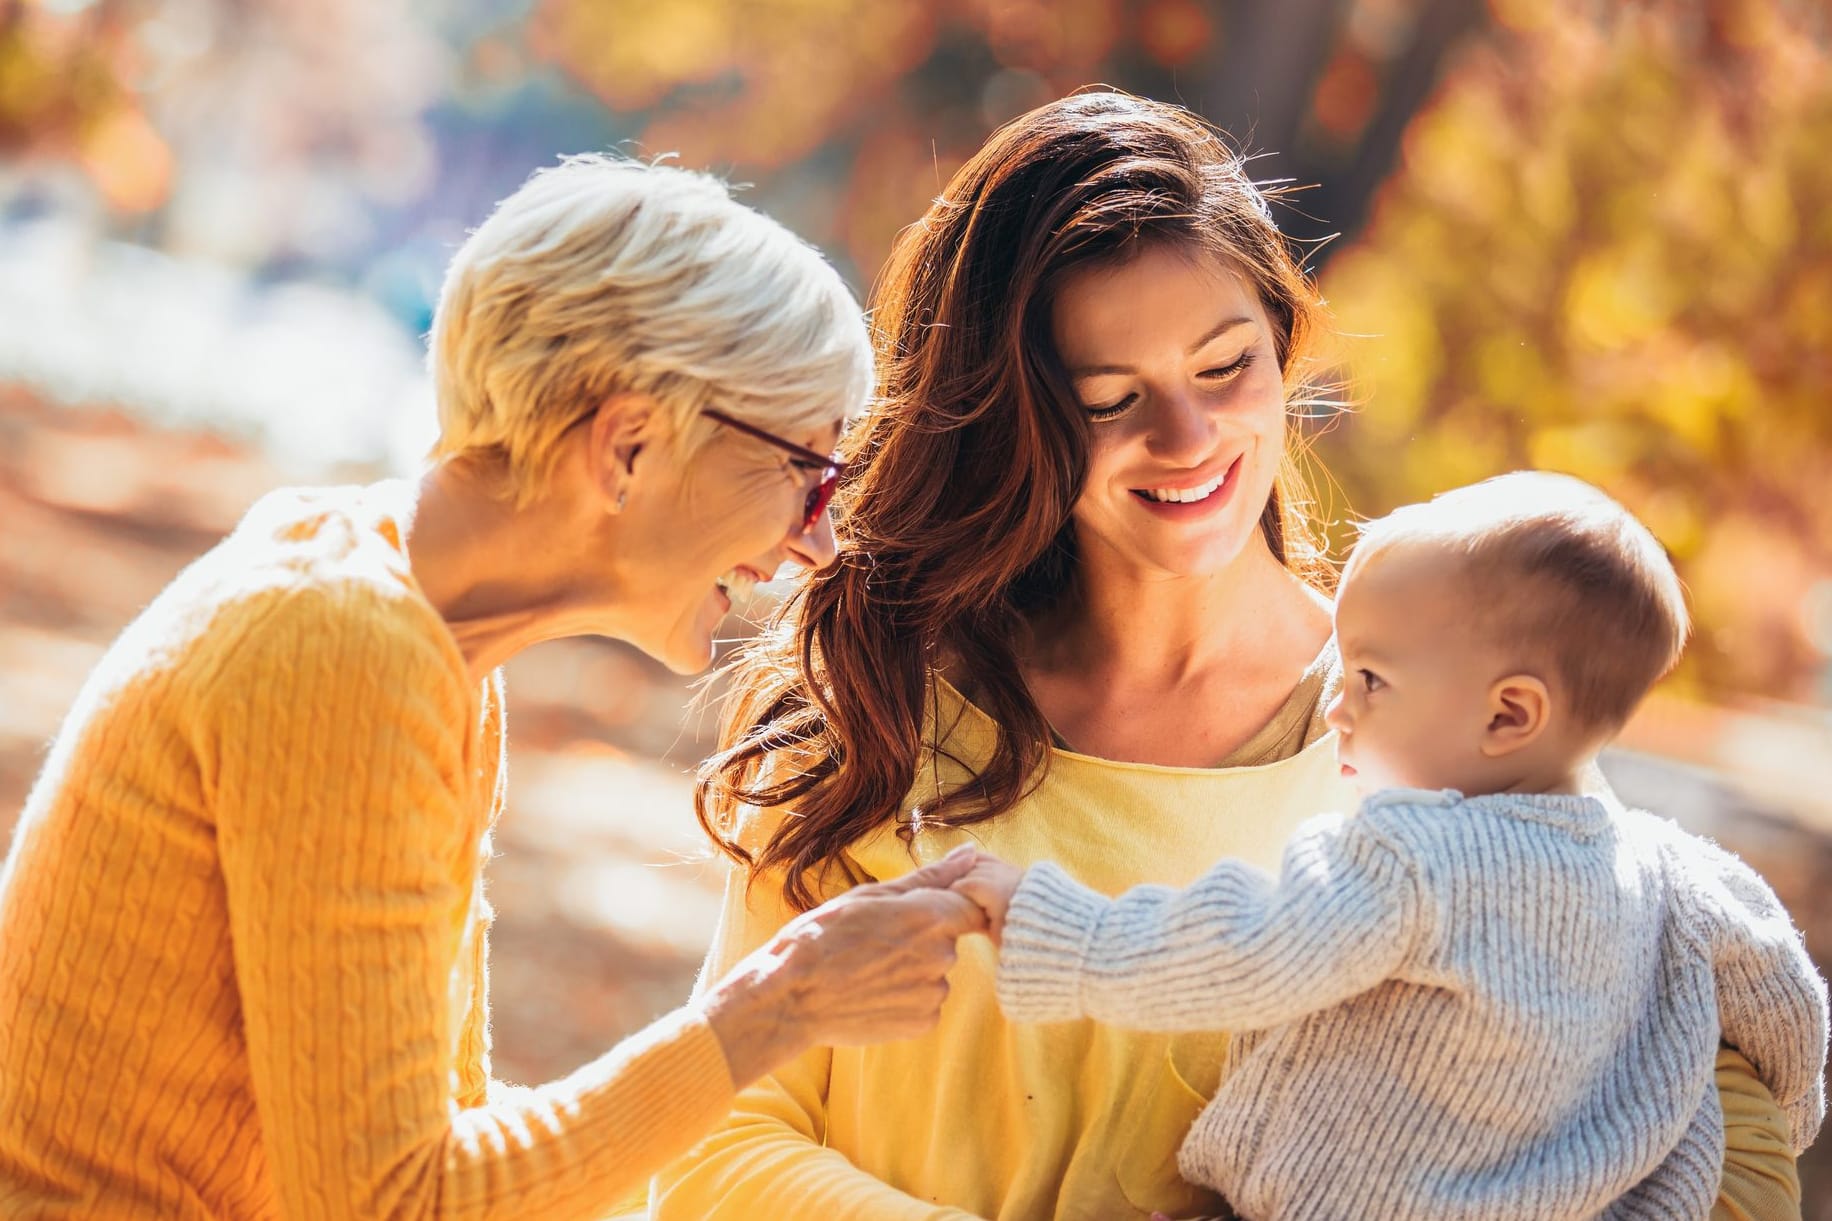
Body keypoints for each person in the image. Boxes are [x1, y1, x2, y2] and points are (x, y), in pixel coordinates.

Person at [652, 92, 1809, 1219]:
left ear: (1282, 344)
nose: (1187, 439)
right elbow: (717, 1147)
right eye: (1110, 398)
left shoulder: (1438, 726)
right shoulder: (889, 717)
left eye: (1223, 368)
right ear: (1013, 419)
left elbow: (1710, 1115)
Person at [0, 154, 988, 1218]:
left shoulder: (422, 637)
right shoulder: (339, 652)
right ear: (629, 444)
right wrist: (772, 1008)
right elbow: (394, 1203)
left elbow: (439, 1144)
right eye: (810, 473)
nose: (820, 542)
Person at [954, 471, 1828, 1220]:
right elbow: (1790, 1015)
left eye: (1372, 677)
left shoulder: (1411, 859)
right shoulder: (1671, 870)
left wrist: (1057, 925)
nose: (1338, 702)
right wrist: (1783, 1125)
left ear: (1508, 714)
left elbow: (1247, 948)